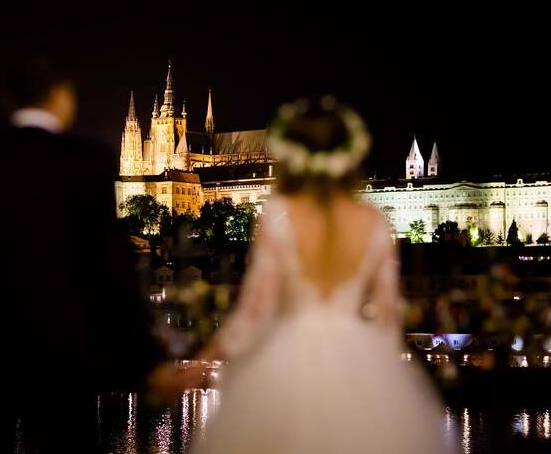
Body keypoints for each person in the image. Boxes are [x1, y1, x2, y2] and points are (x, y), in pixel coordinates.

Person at [151, 96, 454, 453]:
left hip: (286, 362)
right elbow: (388, 321)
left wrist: (197, 366)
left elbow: (252, 315)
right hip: (357, 363)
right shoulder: (373, 222)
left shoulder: (279, 216)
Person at [0, 55, 162, 452]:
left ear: (7, 99)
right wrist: (146, 361)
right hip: (64, 357)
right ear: (62, 97)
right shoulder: (88, 161)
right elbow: (111, 273)